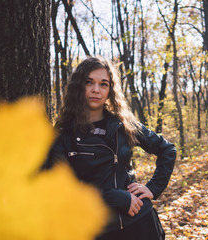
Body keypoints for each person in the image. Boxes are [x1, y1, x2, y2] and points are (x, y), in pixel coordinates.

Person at [42, 56, 176, 240]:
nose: (96, 90)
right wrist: (114, 197)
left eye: (103, 84)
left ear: (110, 90)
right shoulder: (63, 135)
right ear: (79, 86)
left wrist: (153, 188)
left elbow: (167, 149)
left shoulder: (124, 125)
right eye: (89, 82)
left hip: (141, 224)